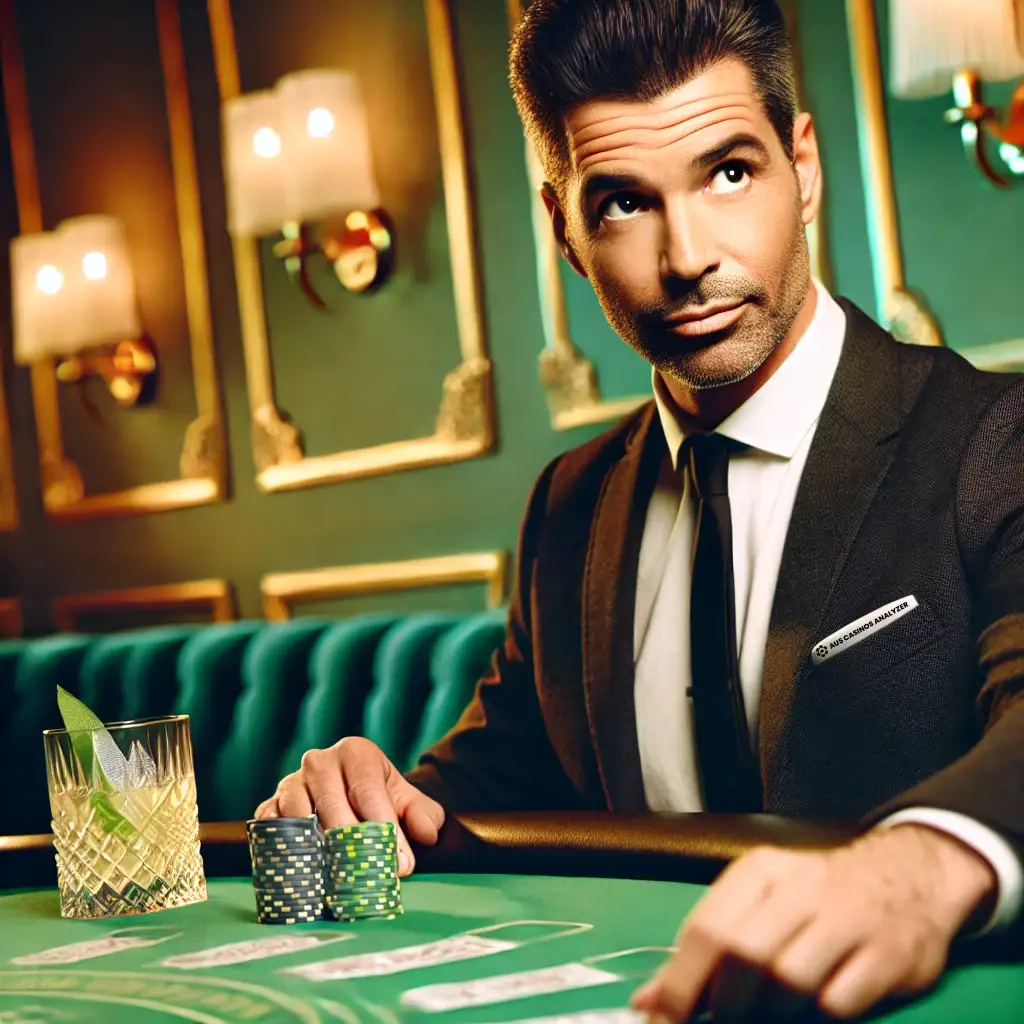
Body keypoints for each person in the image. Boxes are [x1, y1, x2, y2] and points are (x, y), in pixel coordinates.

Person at [256, 0, 1024, 1018]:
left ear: (805, 166)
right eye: (622, 202)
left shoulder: (990, 436)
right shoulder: (570, 504)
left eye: (730, 172)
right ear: (563, 231)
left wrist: (921, 862)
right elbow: (511, 767)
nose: (686, 257)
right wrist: (370, 799)